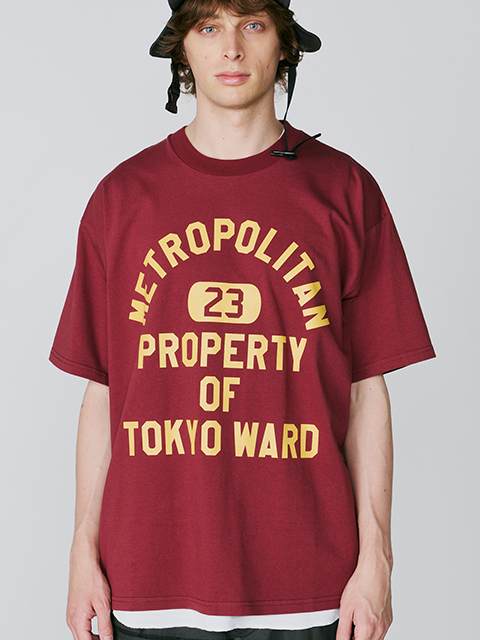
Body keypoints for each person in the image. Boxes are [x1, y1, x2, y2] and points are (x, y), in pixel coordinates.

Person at [50, 1, 435, 640]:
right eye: (209, 27)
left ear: (284, 44)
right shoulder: (123, 197)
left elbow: (366, 392)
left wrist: (378, 562)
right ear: (183, 48)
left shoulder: (345, 190)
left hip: (310, 587)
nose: (231, 47)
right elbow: (103, 390)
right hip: (145, 582)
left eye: (252, 24)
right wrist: (80, 554)